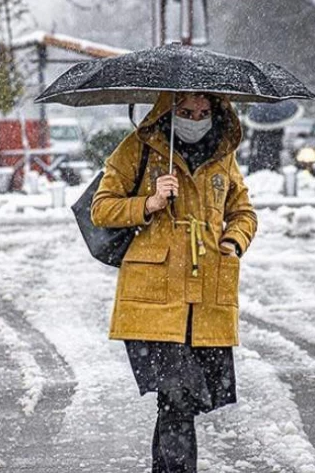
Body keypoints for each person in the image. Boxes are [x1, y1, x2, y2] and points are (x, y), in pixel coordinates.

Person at [90, 91, 258, 472]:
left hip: (205, 301)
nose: (195, 119)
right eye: (185, 111)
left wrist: (233, 241)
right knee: (177, 396)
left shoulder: (222, 155)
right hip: (152, 300)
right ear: (169, 111)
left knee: (182, 400)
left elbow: (243, 211)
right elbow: (101, 208)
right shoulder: (139, 148)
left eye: (202, 112)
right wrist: (148, 203)